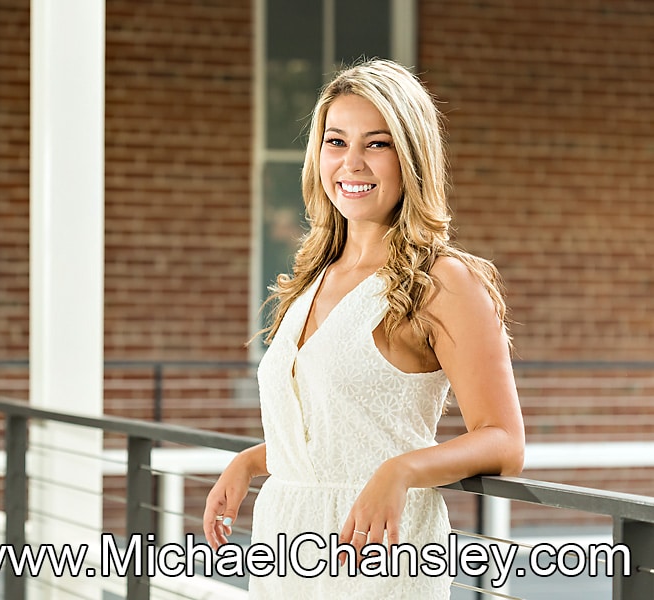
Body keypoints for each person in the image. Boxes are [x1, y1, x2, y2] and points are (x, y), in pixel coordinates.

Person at [202, 58, 525, 598]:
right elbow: (341, 428)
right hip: (286, 550)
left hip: (378, 559)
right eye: (335, 142)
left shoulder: (442, 281)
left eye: (377, 144)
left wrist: (400, 472)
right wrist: (253, 459)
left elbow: (504, 442)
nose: (351, 163)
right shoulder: (313, 277)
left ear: (412, 157)